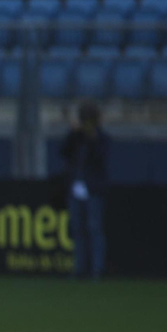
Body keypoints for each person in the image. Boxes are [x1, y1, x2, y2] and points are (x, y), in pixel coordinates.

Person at [63, 102, 110, 280]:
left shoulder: (102, 139)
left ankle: (97, 269)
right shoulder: (76, 137)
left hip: (93, 191)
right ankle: (79, 269)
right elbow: (64, 151)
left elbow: (100, 158)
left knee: (94, 229)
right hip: (75, 189)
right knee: (77, 230)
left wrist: (92, 136)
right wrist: (74, 132)